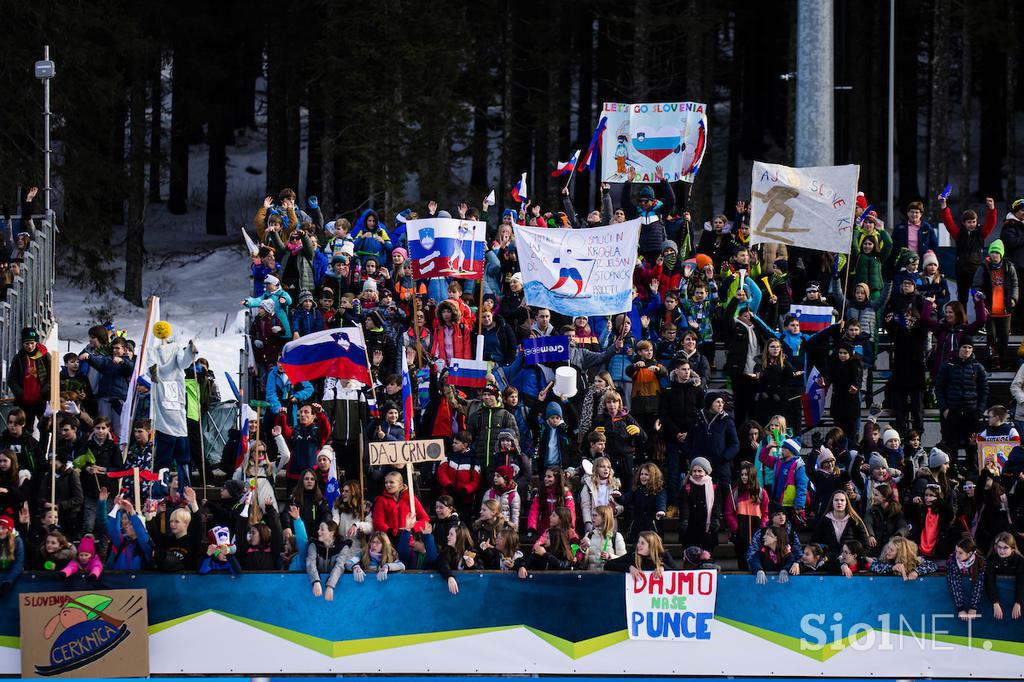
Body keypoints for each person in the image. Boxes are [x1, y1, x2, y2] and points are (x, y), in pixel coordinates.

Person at [935, 336, 988, 470]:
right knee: (951, 446)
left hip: (972, 413)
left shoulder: (978, 367)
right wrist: (945, 409)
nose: (967, 350)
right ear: (959, 348)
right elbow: (939, 388)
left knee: (972, 446)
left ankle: (971, 474)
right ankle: (952, 473)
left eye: (970, 347)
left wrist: (979, 411)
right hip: (952, 412)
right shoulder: (947, 365)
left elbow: (984, 391)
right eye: (964, 347)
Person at [939, 195, 997, 305]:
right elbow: (948, 221)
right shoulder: (958, 234)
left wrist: (992, 209)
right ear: (964, 223)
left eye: (974, 221)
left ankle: (980, 320)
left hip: (976, 271)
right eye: (969, 222)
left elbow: (991, 223)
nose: (972, 224)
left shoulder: (981, 233)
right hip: (961, 271)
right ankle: (963, 321)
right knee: (962, 298)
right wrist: (943, 206)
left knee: (978, 297)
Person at [972, 240, 1018, 369]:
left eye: (997, 252)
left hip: (1005, 310)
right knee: (991, 338)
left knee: (1004, 338)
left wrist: (1014, 298)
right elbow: (974, 288)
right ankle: (993, 361)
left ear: (1001, 254)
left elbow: (1015, 284)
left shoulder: (1009, 266)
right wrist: (981, 304)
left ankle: (1002, 361)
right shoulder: (983, 267)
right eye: (992, 252)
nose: (995, 255)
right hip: (989, 310)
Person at [725, 460, 769, 571]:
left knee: (758, 560)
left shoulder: (761, 493)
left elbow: (766, 513)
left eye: (747, 475)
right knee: (742, 561)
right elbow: (728, 513)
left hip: (757, 533)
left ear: (752, 475)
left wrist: (762, 527)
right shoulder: (735, 492)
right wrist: (736, 528)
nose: (744, 477)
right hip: (740, 535)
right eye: (742, 475)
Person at [6, 327, 51, 434]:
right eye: (27, 344)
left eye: (32, 343)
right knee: (26, 429)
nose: (30, 346)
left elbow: (52, 376)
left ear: (36, 342)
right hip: (25, 401)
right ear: (22, 344)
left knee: (44, 428)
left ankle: (43, 450)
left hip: (42, 399)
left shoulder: (45, 356)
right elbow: (11, 379)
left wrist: (44, 391)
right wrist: (20, 393)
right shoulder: (18, 358)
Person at [810, 490, 869, 566]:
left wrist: (860, 557)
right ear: (832, 502)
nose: (839, 502)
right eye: (836, 500)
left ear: (846, 503)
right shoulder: (824, 521)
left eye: (842, 500)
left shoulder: (855, 521)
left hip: (851, 561)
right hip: (830, 561)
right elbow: (814, 542)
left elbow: (865, 544)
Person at [679, 457, 722, 553]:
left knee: (707, 556)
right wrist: (684, 521)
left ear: (706, 471)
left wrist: (715, 518)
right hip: (691, 529)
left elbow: (717, 504)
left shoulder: (713, 486)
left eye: (700, 471)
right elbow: (684, 506)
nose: (697, 474)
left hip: (708, 530)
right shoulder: (686, 487)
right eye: (694, 471)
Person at [985, 532, 1024, 621]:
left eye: (1005, 548)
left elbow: (1021, 582)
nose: (1001, 551)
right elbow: (989, 581)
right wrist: (995, 602)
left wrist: (1018, 602)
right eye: (999, 547)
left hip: (1015, 600)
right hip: (997, 600)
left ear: (1013, 549)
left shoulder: (1020, 561)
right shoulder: (992, 559)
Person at [603, 530, 678, 576]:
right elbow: (608, 565)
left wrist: (663, 568)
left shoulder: (664, 555)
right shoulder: (633, 555)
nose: (638, 545)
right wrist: (629, 567)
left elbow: (679, 573)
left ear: (651, 546)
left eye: (642, 543)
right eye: (638, 542)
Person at [306, 520, 348, 601]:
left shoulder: (342, 547)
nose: (318, 531)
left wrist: (330, 586)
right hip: (316, 588)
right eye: (319, 529)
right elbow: (310, 563)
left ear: (331, 533)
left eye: (322, 529)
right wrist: (316, 581)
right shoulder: (314, 545)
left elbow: (339, 566)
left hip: (336, 589)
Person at [624, 463, 666, 543]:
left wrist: (661, 510)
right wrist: (618, 497)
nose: (643, 476)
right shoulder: (636, 489)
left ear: (653, 476)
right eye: (641, 474)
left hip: (652, 526)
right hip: (637, 526)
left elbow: (661, 502)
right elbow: (626, 499)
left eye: (646, 474)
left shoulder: (659, 491)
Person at [578, 457, 622, 534]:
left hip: (609, 522)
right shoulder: (588, 485)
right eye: (602, 467)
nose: (606, 469)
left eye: (608, 467)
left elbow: (620, 506)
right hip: (594, 521)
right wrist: (588, 522)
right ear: (596, 469)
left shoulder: (614, 485)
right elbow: (586, 506)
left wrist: (615, 510)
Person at [947, 536, 986, 622]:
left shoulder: (980, 562)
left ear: (969, 554)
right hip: (959, 601)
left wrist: (973, 607)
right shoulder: (953, 561)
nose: (957, 555)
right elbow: (955, 584)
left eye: (960, 553)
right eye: (956, 551)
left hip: (974, 601)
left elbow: (978, 585)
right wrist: (960, 608)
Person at [581, 505, 626, 570]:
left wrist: (610, 557)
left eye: (595, 515)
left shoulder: (616, 536)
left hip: (609, 577)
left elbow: (623, 561)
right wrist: (584, 550)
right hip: (591, 576)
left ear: (604, 518)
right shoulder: (589, 535)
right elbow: (583, 564)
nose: (592, 518)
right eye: (592, 515)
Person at [870, 536, 937, 580]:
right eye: (888, 548)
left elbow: (933, 565)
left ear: (900, 553)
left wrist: (916, 571)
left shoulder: (912, 560)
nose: (887, 551)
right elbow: (874, 566)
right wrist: (891, 568)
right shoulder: (886, 558)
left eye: (891, 550)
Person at [0, 515, 24, 594]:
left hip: (10, 575)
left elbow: (18, 563)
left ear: (9, 529)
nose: (0, 531)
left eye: (3, 528)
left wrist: (8, 581)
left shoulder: (17, 541)